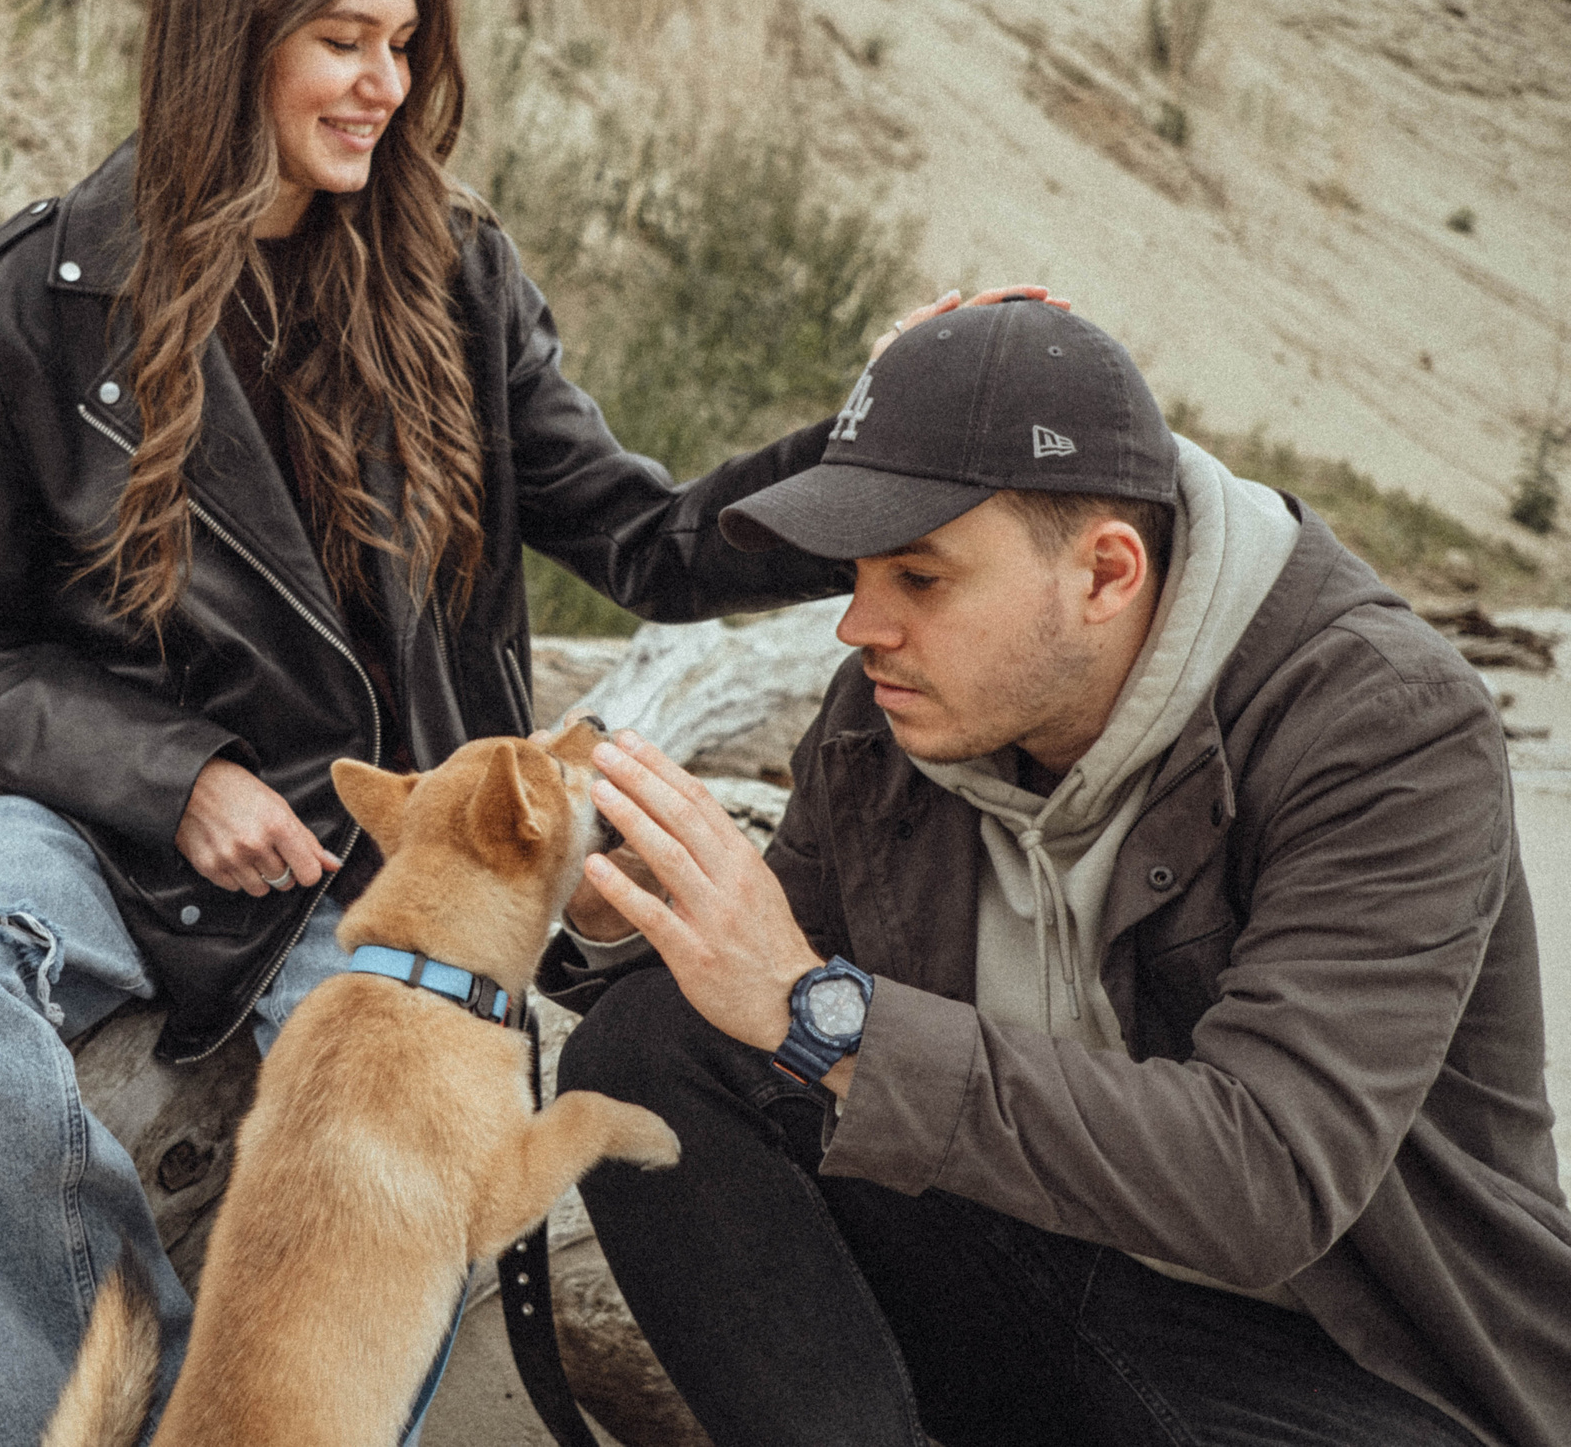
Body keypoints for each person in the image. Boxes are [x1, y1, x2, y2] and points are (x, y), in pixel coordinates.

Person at [0, 0, 864, 1446]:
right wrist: (178, 773)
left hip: (374, 879)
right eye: (345, 41)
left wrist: (878, 427)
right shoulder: (21, 306)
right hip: (98, 839)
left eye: (405, 45)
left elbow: (650, 539)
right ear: (232, 37)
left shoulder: (453, 275)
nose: (385, 84)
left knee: (390, 1168)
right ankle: (93, 1398)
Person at [549, 298, 1571, 1447]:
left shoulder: (1381, 724)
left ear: (1105, 572)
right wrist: (616, 909)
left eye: (920, 580)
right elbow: (759, 988)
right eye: (857, 573)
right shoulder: (891, 716)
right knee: (649, 1045)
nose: (858, 626)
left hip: (1357, 1367)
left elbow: (1269, 1177)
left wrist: (821, 1016)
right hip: (1036, 1274)